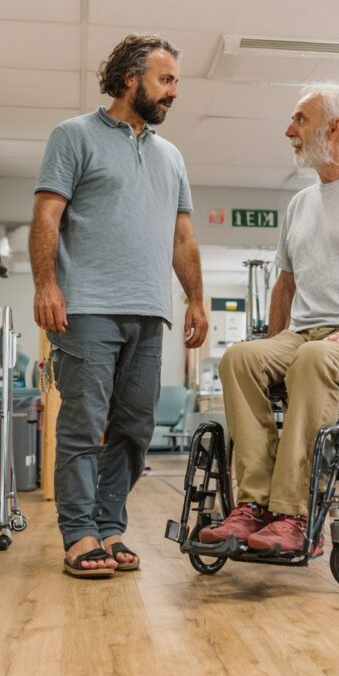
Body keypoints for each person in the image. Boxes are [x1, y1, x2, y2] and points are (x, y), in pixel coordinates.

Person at [200, 82, 339, 554]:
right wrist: (270, 348)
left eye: (300, 119)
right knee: (239, 358)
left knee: (314, 359)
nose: (289, 130)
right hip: (302, 334)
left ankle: (296, 514)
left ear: (333, 126)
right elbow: (285, 284)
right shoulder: (300, 204)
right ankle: (253, 504)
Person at [30, 34, 208, 577]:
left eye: (176, 80)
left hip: (149, 312)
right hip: (86, 308)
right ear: (131, 78)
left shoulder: (171, 157)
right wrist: (45, 285)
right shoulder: (74, 135)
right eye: (166, 79)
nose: (174, 92)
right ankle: (80, 533)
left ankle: (109, 527)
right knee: (84, 426)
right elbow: (46, 217)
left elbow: (182, 238)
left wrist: (196, 298)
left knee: (134, 427)